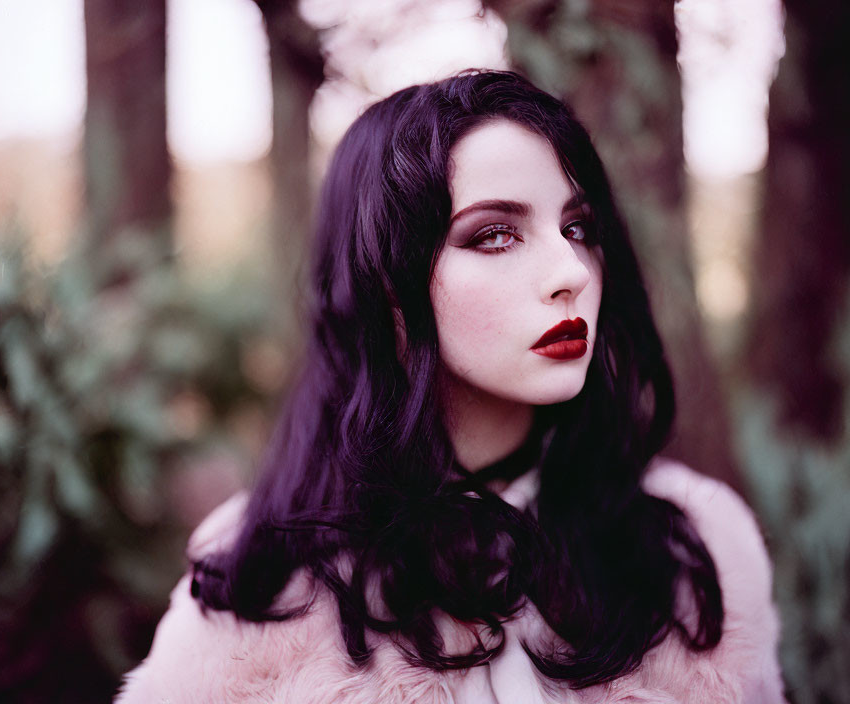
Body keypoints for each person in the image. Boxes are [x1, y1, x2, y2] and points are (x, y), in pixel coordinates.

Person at [116, 70, 786, 703]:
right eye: (495, 235)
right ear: (387, 287)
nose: (571, 271)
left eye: (578, 227)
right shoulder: (257, 587)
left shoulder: (699, 557)